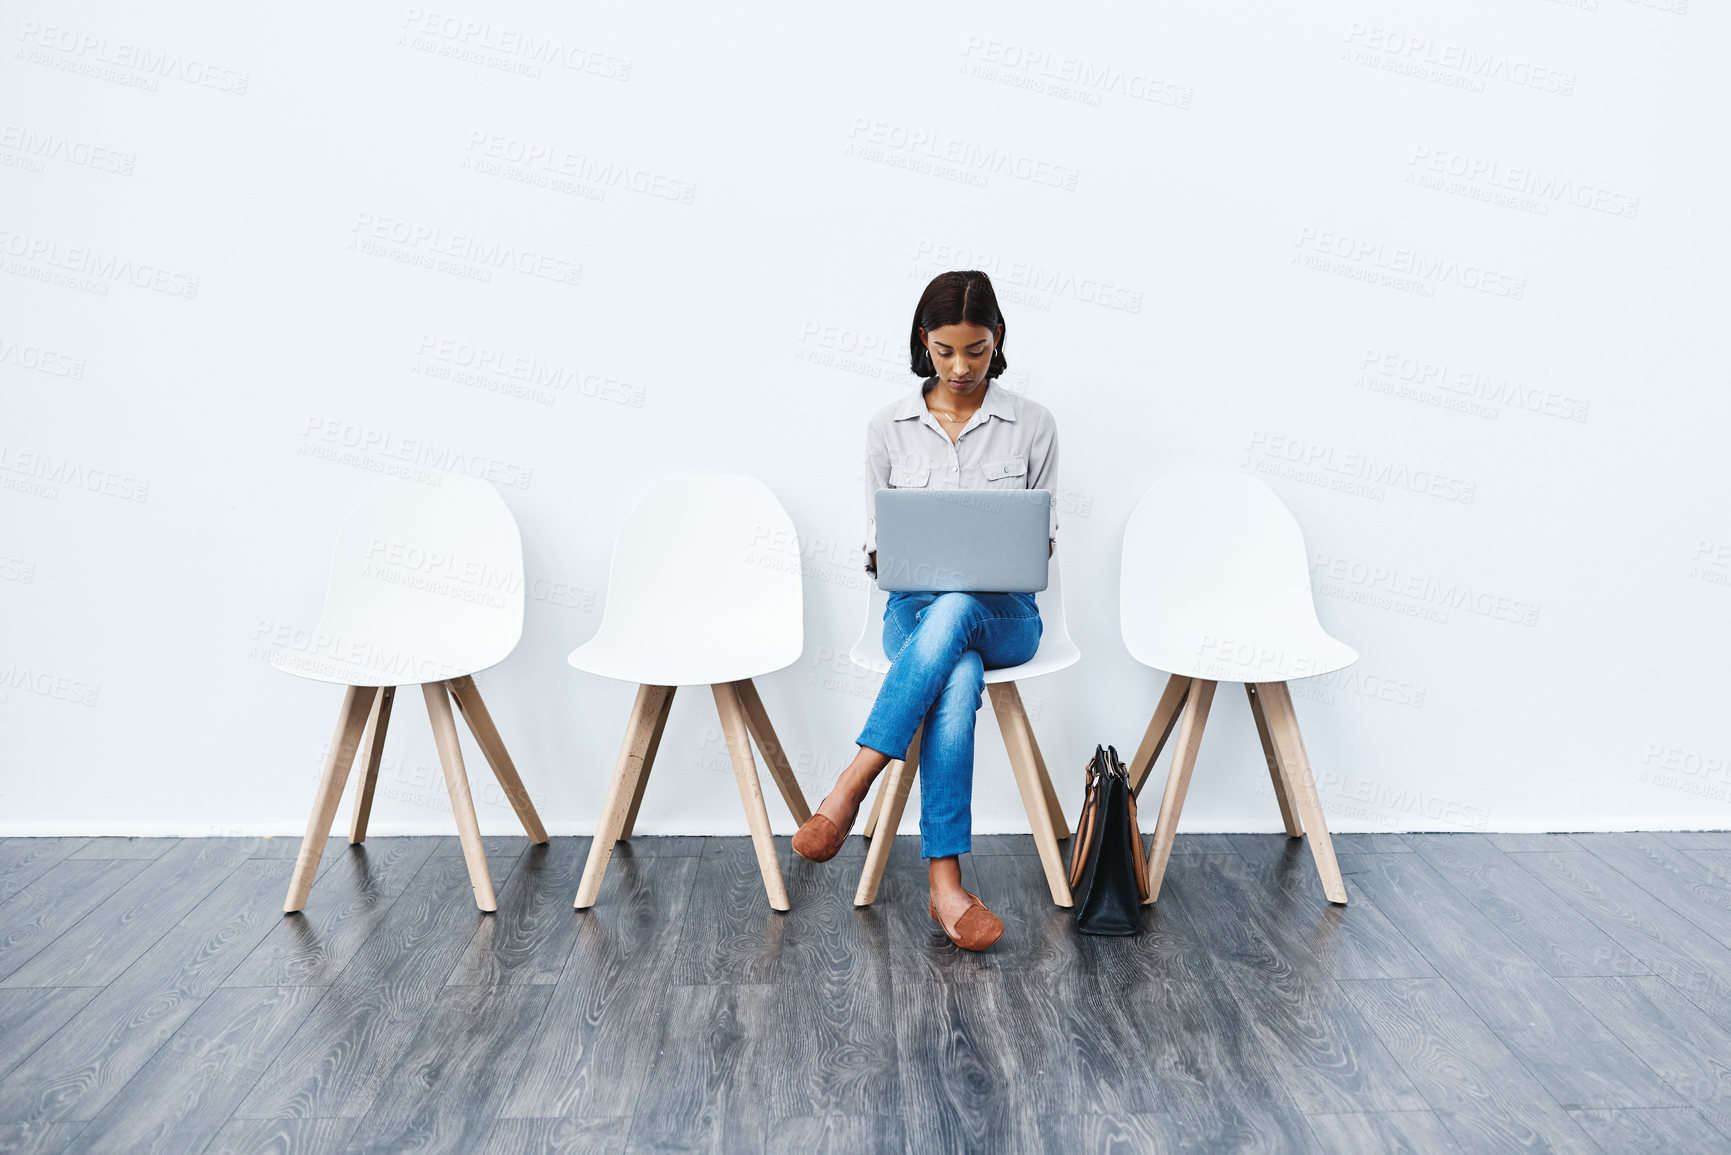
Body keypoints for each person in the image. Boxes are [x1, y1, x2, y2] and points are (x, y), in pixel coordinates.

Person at [791, 269, 1058, 951]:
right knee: (955, 668)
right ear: (923, 342)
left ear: (996, 339)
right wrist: (891, 556)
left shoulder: (1032, 424)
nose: (961, 366)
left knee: (965, 606)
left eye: (975, 349)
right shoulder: (888, 428)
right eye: (945, 351)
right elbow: (879, 544)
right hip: (912, 614)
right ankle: (946, 887)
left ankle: (851, 783)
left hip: (1008, 618)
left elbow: (1040, 545)